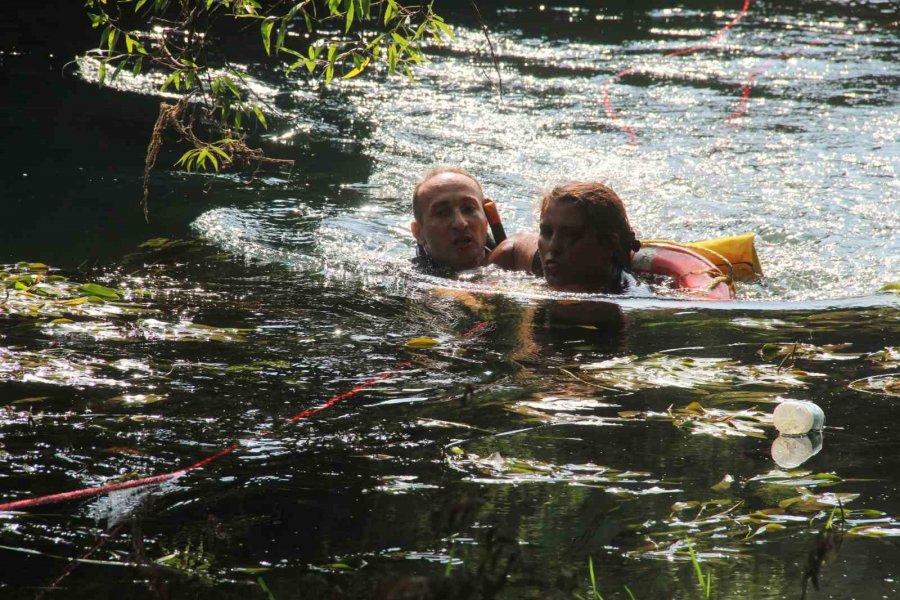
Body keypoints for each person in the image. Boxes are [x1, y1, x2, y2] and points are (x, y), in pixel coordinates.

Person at [491, 181, 640, 293]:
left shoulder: (634, 289)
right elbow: (516, 245)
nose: (553, 246)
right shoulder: (540, 261)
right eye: (547, 232)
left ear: (608, 244)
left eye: (571, 235)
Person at [410, 167, 492, 272]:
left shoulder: (515, 260)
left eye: (469, 209)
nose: (460, 223)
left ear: (487, 219)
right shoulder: (403, 280)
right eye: (442, 213)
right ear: (418, 232)